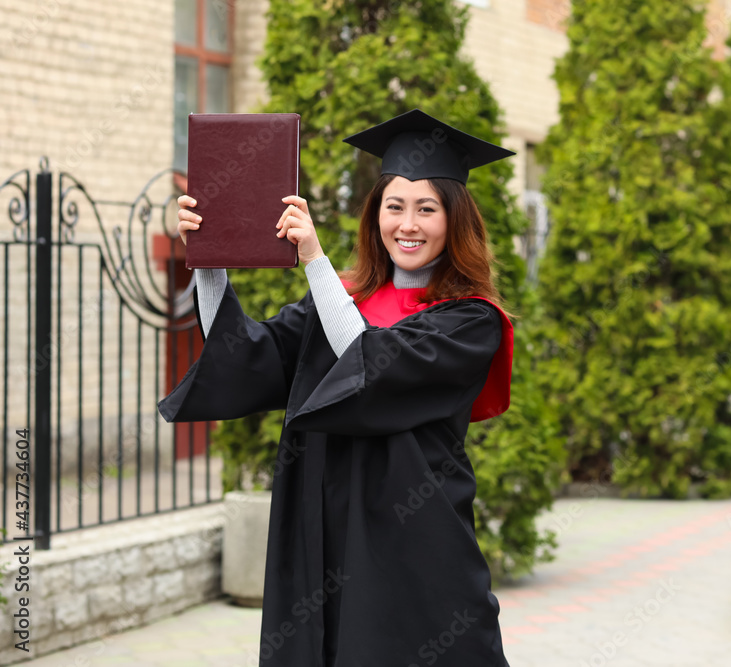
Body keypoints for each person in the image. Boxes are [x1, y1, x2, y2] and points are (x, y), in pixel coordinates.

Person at [158, 109, 516, 666]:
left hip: (412, 532)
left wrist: (315, 262)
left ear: (455, 220)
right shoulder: (341, 296)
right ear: (376, 215)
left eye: (427, 209)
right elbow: (253, 356)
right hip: (322, 521)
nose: (408, 224)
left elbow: (371, 361)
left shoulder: (470, 319)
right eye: (394, 207)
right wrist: (210, 259)